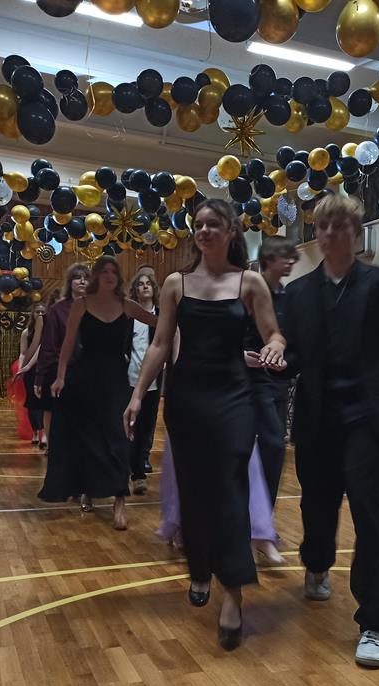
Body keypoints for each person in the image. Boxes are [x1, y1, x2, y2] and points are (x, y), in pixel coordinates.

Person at [124, 198, 285, 651]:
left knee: (230, 488)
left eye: (213, 223)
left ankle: (232, 592)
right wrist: (137, 395)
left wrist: (275, 346)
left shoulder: (249, 282)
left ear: (231, 230)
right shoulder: (176, 283)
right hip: (187, 398)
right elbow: (160, 343)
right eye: (198, 224)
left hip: (234, 398)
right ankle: (199, 568)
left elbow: (273, 332)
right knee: (193, 490)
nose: (204, 230)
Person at [282, 194, 379, 668]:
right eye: (322, 226)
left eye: (339, 225)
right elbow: (293, 356)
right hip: (317, 421)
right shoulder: (298, 293)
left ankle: (377, 622)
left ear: (357, 233)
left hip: (365, 420)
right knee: (317, 510)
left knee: (370, 518)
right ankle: (317, 563)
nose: (329, 233)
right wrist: (273, 360)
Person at [41, 256, 156, 530]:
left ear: (118, 276)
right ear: (96, 276)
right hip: (85, 378)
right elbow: (69, 342)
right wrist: (60, 377)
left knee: (117, 437)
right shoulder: (82, 304)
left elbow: (158, 322)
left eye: (113, 271)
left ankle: (120, 499)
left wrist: (181, 313)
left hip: (116, 379)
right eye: (103, 271)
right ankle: (88, 490)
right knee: (88, 438)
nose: (108, 275)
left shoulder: (126, 305)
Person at [244, 236, 296, 561]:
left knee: (274, 450)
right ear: (267, 260)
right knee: (249, 453)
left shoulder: (288, 297)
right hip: (247, 381)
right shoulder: (248, 290)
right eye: (283, 256)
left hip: (278, 382)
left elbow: (291, 340)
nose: (290, 261)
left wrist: (285, 358)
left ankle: (262, 527)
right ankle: (247, 529)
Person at [34, 263, 90, 453]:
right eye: (77, 277)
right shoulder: (57, 309)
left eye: (86, 278)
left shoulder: (96, 307)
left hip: (87, 370)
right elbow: (48, 345)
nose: (82, 281)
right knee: (53, 411)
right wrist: (40, 376)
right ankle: (53, 447)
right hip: (60, 369)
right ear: (70, 282)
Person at [126, 269, 161, 495]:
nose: (145, 286)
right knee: (131, 426)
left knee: (147, 426)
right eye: (140, 284)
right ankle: (134, 471)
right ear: (135, 290)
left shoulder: (162, 316)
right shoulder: (130, 316)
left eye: (148, 283)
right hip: (130, 379)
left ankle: (141, 465)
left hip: (154, 381)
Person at [17, 302, 49, 448]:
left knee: (44, 401)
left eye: (43, 312)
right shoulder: (26, 332)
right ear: (33, 314)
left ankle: (44, 434)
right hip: (30, 370)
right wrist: (21, 368)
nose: (40, 314)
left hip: (44, 368)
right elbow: (23, 353)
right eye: (38, 312)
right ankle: (35, 432)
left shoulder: (49, 330)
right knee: (31, 402)